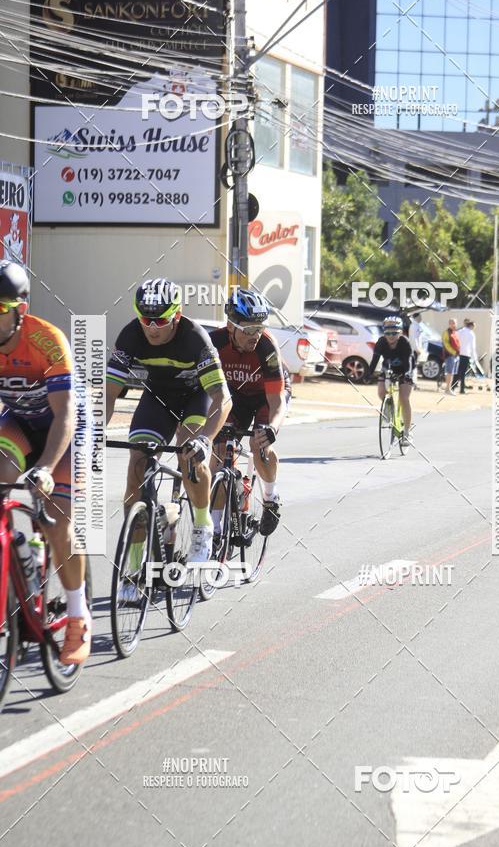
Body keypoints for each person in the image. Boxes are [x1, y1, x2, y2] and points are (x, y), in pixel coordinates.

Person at [0, 261, 90, 664]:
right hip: (18, 423)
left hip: (63, 427)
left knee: (57, 519)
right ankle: (17, 550)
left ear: (20, 310)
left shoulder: (47, 340)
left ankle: (77, 614)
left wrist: (47, 468)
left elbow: (65, 415)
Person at [106, 279, 231, 565]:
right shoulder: (130, 335)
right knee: (137, 465)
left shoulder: (195, 338)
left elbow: (222, 396)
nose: (151, 327)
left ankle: (202, 525)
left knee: (190, 456)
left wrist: (206, 439)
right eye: (145, 318)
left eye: (160, 320)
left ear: (176, 314)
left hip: (196, 398)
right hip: (158, 398)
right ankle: (136, 561)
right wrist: (92, 431)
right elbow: (108, 394)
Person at [209, 289, 287, 536]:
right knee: (220, 453)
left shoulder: (266, 346)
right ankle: (216, 529)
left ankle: (270, 497)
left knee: (259, 445)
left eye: (260, 327)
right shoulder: (214, 343)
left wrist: (272, 428)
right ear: (231, 326)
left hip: (266, 397)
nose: (256, 335)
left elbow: (276, 400)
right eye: (249, 329)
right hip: (234, 398)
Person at [367, 316, 413, 443]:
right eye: (387, 333)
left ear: (401, 332)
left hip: (405, 369)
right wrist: (369, 373)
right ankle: (388, 407)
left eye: (394, 332)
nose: (391, 336)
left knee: (404, 398)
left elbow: (408, 362)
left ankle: (407, 432)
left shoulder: (404, 342)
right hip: (389, 369)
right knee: (381, 392)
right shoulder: (381, 342)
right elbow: (375, 360)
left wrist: (406, 374)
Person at [453, 320, 477, 394]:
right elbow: (472, 347)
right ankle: (462, 389)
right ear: (471, 326)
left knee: (457, 371)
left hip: (458, 353)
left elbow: (454, 338)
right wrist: (474, 357)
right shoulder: (471, 334)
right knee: (463, 372)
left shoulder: (460, 331)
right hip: (466, 354)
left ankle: (453, 386)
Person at [442, 318, 460, 394]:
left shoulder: (454, 332)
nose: (454, 325)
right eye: (452, 323)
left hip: (455, 356)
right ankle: (447, 389)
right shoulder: (446, 333)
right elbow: (446, 344)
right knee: (449, 372)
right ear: (450, 324)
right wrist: (453, 352)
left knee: (452, 372)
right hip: (449, 355)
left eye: (455, 323)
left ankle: (448, 388)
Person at [408, 312, 424, 387]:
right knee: (412, 366)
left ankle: (413, 382)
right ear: (417, 317)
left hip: (416, 350)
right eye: (420, 316)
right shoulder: (413, 326)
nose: (421, 318)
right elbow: (413, 339)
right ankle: (411, 382)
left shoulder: (417, 326)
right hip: (413, 350)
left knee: (414, 366)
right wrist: (417, 349)